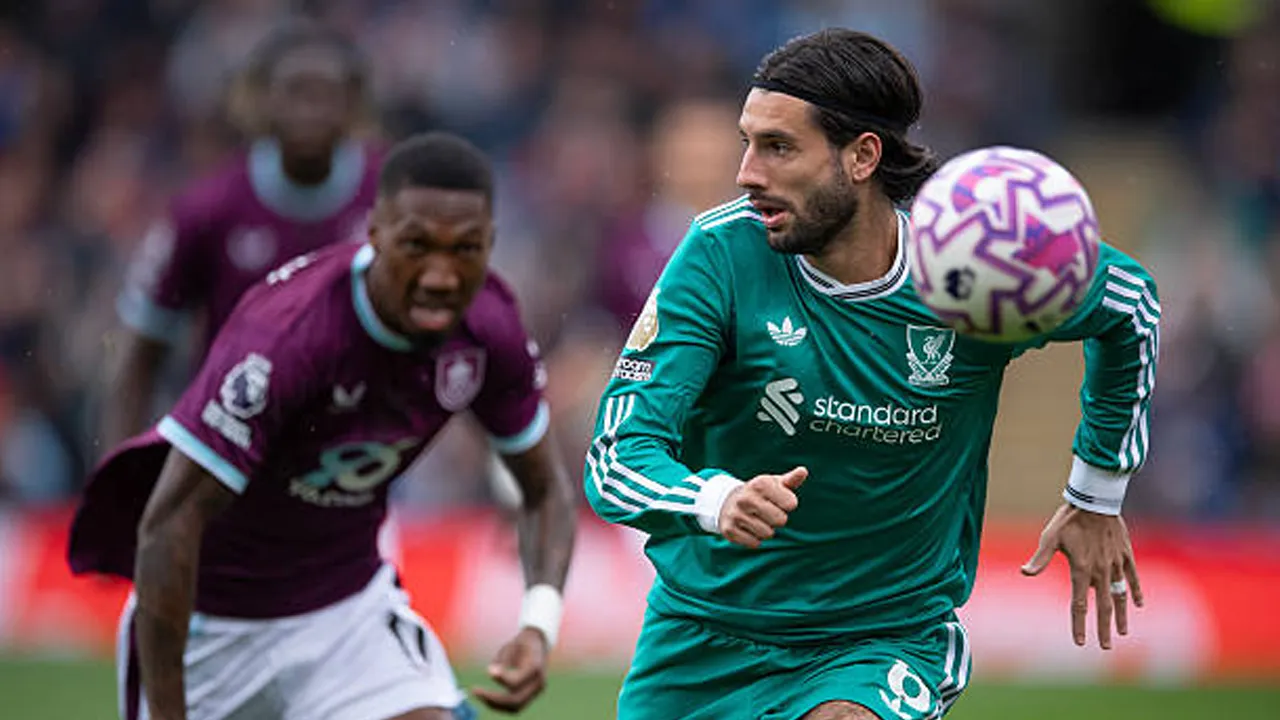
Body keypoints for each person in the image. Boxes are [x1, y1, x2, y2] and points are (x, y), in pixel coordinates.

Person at [584, 29, 1158, 720]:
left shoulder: (976, 265)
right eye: (748, 141)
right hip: (704, 637)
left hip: (882, 639)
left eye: (779, 147)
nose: (746, 172)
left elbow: (1129, 305)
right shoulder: (719, 256)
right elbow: (618, 455)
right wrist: (716, 499)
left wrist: (1097, 491)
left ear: (861, 157)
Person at [69, 132, 577, 720]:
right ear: (374, 233)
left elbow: (544, 492)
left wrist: (537, 627)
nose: (441, 275)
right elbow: (168, 526)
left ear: (490, 243)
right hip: (213, 629)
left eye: (465, 249)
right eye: (417, 245)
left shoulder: (490, 327)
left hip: (346, 617)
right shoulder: (288, 337)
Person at [102, 19, 382, 452]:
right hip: (233, 449)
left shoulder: (391, 202)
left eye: (326, 94)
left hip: (353, 453)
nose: (311, 109)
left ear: (354, 105)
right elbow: (142, 351)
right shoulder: (207, 209)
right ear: (262, 100)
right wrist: (120, 472)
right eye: (296, 92)